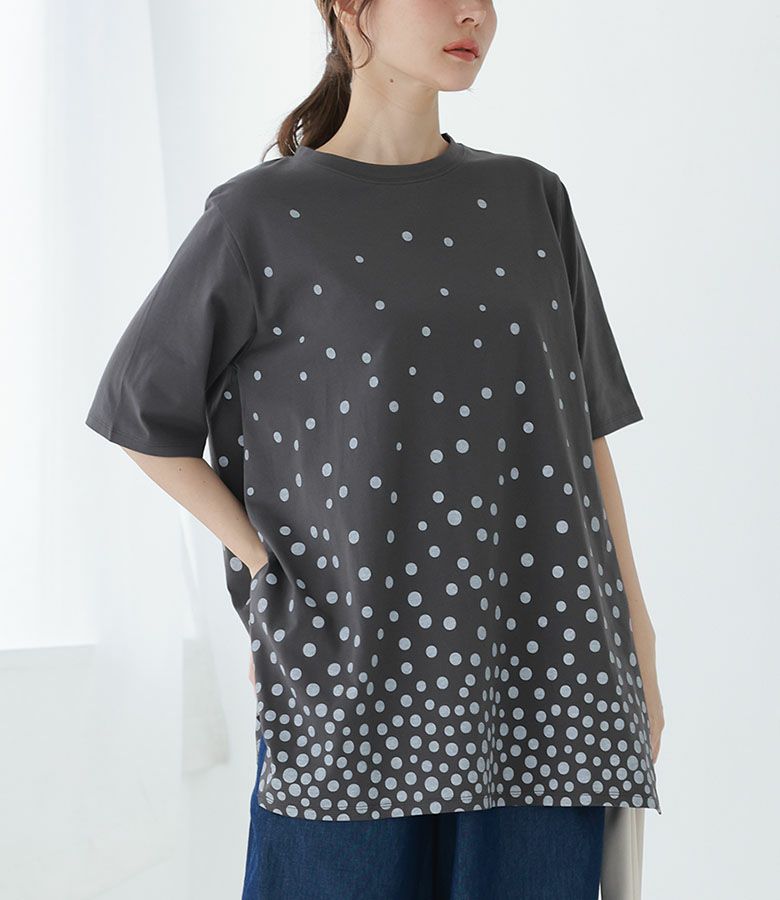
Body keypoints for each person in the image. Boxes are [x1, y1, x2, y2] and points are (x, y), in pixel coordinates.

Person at [85, 1, 664, 897]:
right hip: (353, 669)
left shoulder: (531, 199)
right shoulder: (260, 215)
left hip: (548, 671)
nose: (474, 13)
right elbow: (139, 411)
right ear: (351, 9)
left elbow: (581, 434)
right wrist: (268, 571)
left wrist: (637, 640)